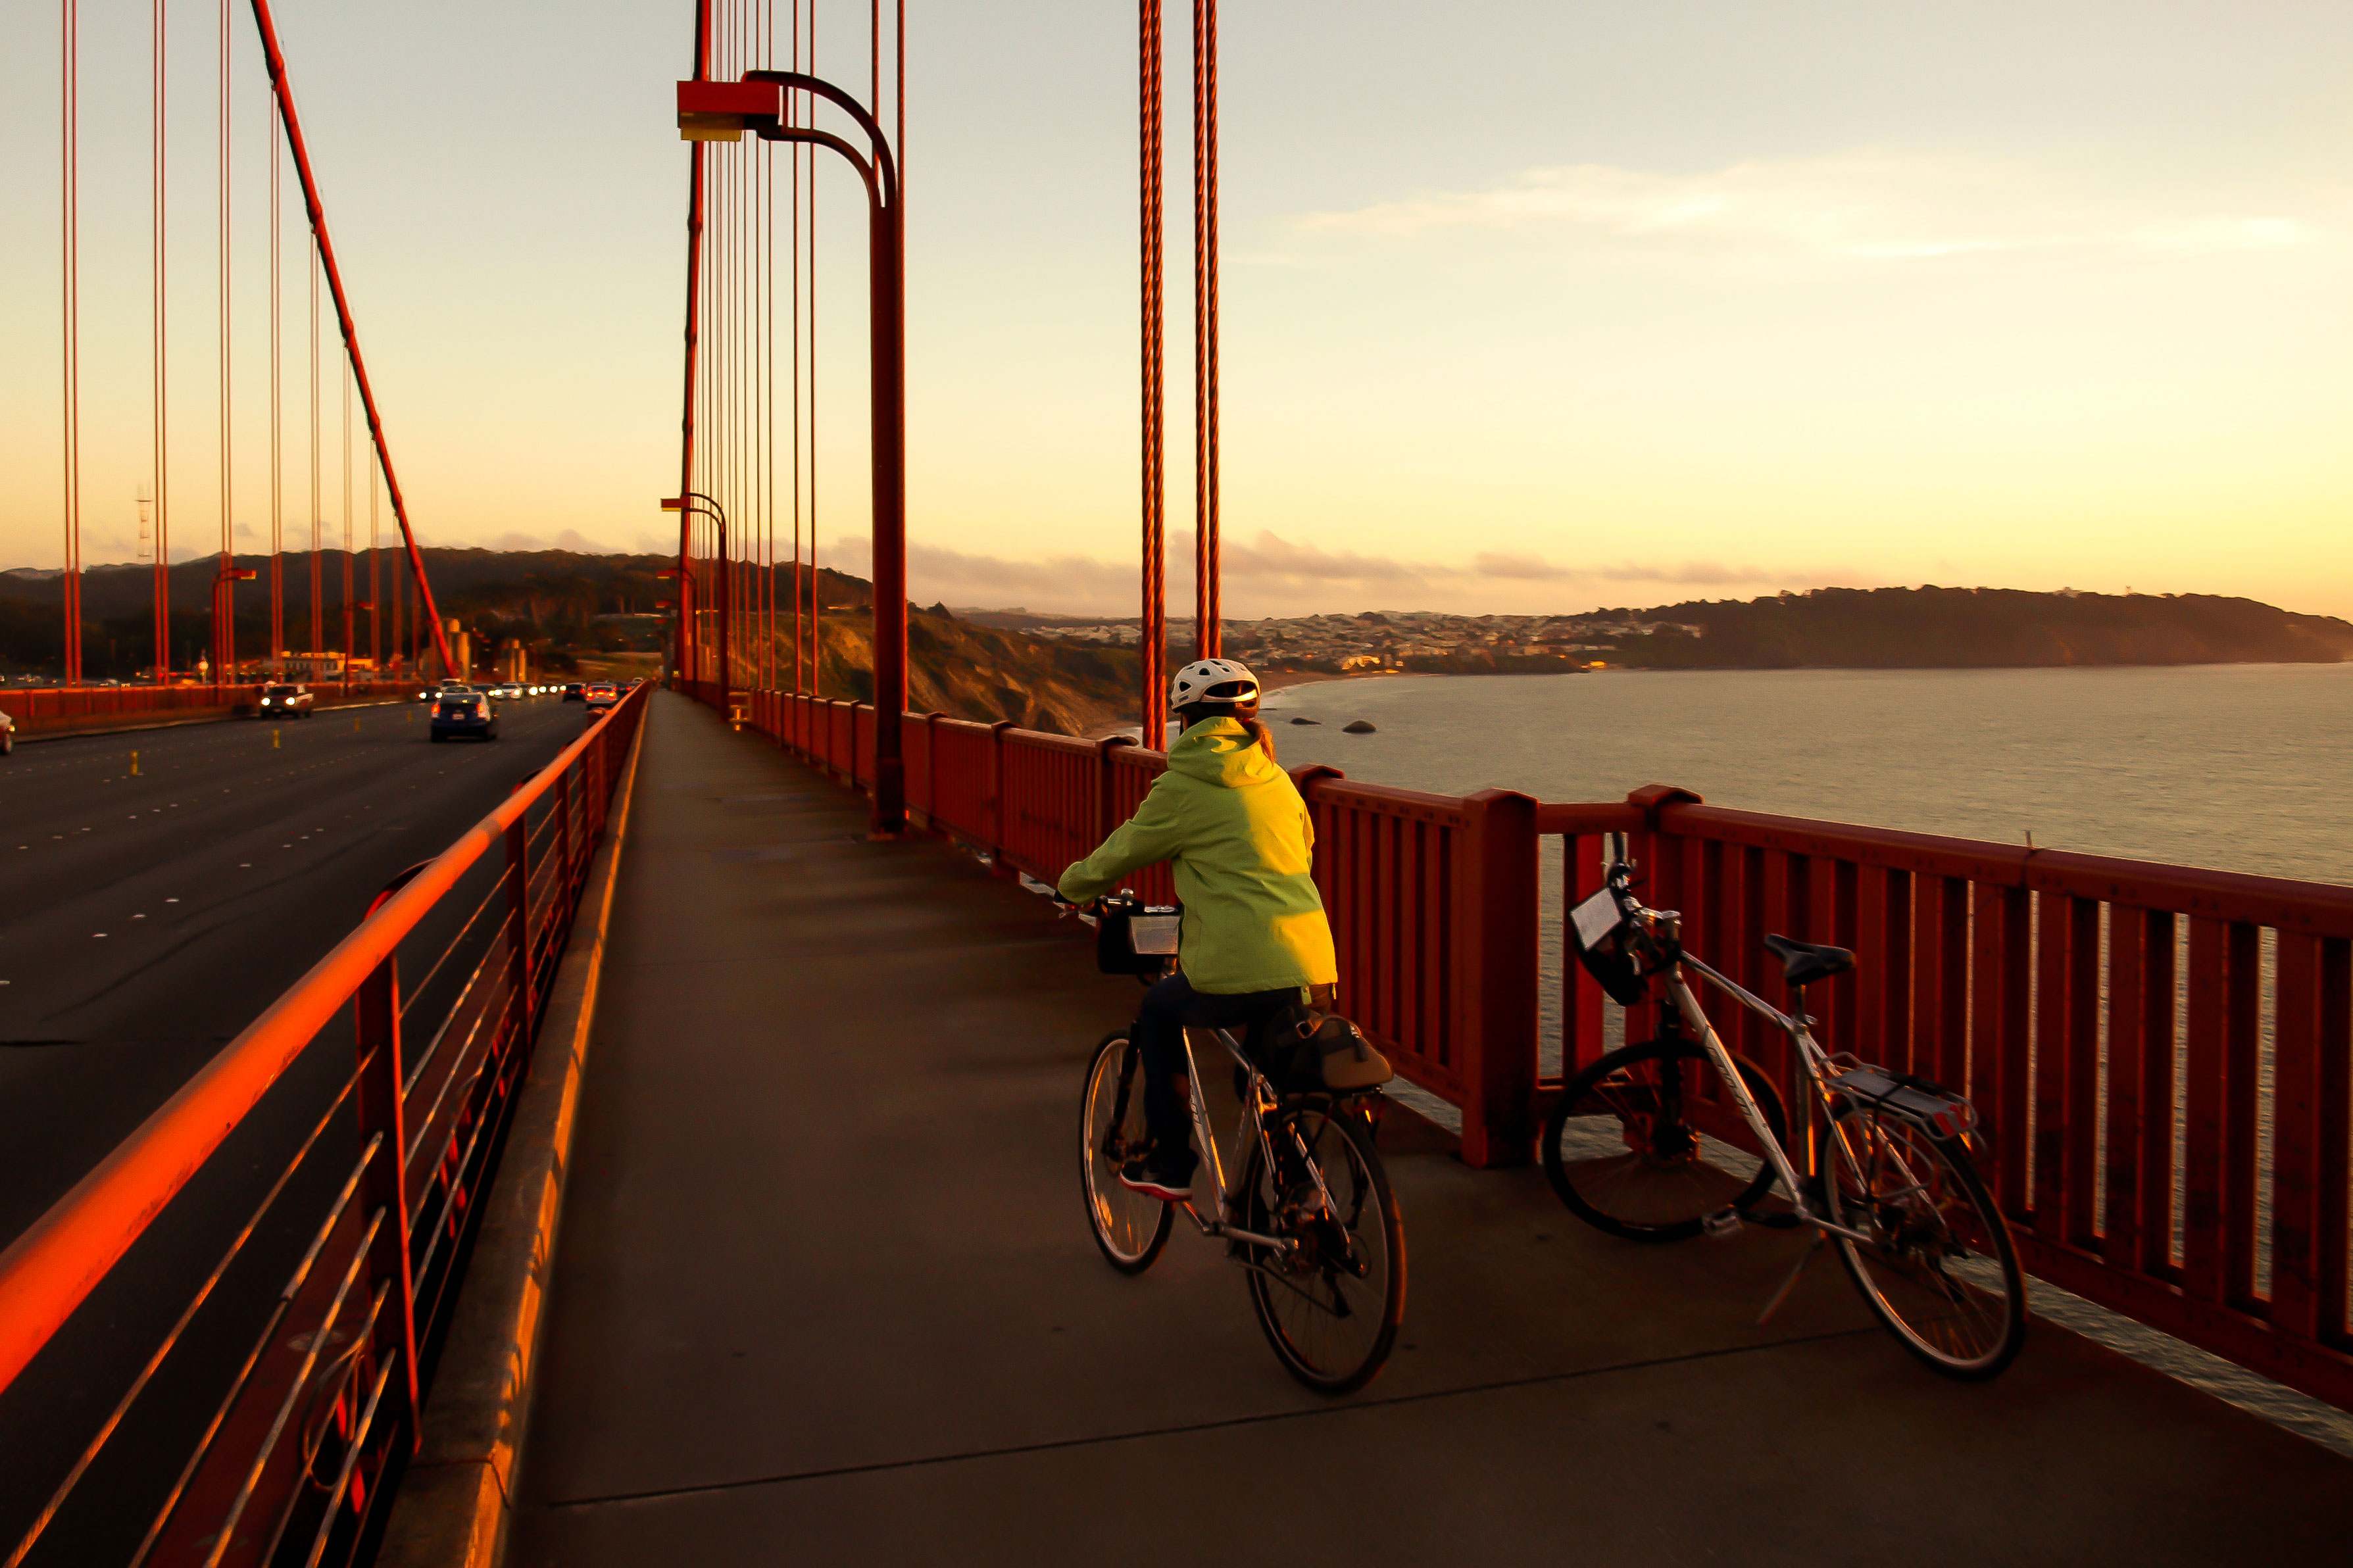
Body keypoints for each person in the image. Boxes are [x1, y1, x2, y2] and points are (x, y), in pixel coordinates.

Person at [1057, 658, 1339, 1201]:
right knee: (1259, 1076)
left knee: (1160, 1011)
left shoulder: (1183, 785)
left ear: (1184, 722)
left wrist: (1070, 887)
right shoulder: (1278, 779)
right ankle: (1303, 1197)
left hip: (1237, 965)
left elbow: (1124, 849)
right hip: (1310, 961)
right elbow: (1302, 852)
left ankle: (1171, 1162)